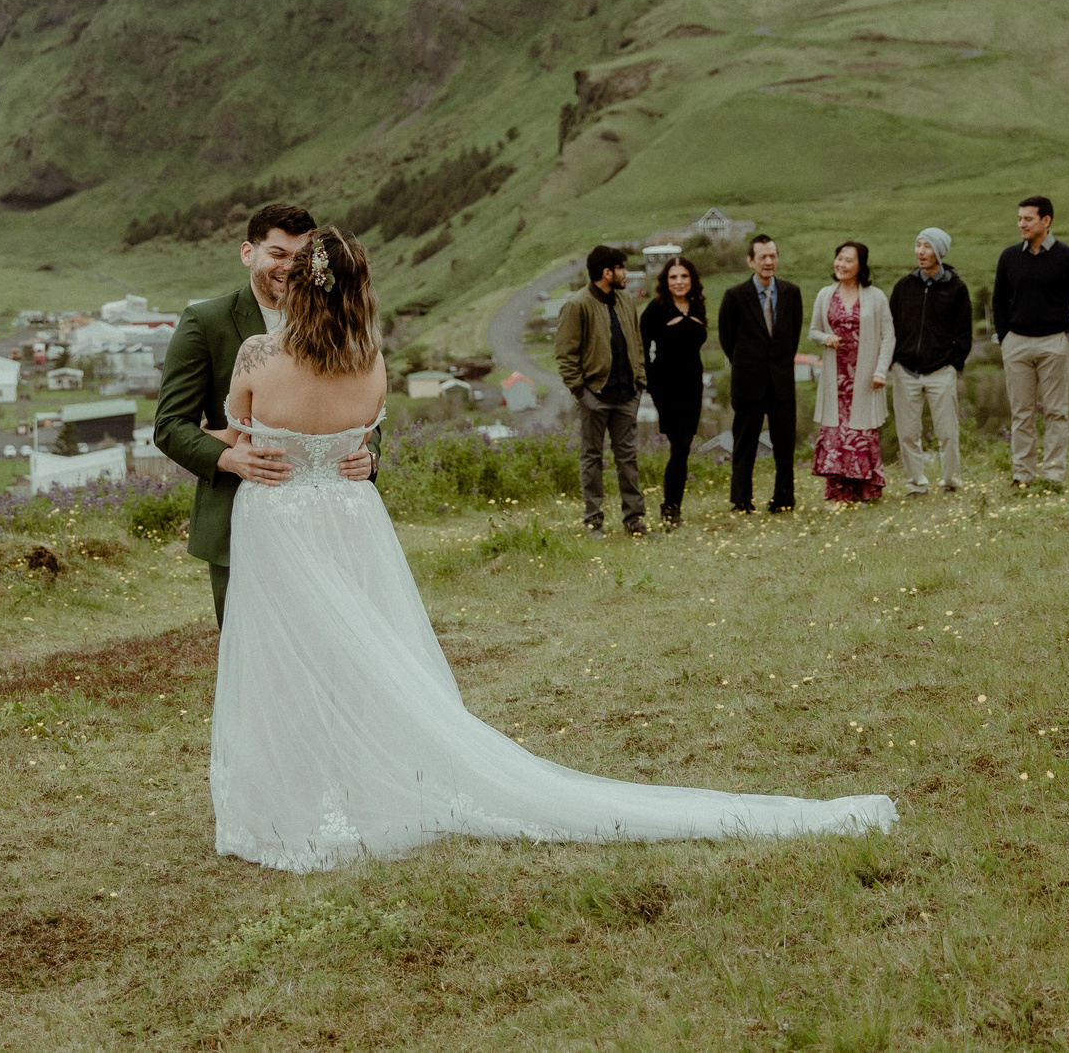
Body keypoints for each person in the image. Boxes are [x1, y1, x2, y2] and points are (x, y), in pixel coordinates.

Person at [208, 225, 897, 873]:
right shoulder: (371, 362)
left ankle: (300, 798)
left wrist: (239, 451)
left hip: (282, 523)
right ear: (359, 288)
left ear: (299, 286)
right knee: (365, 660)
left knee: (285, 661)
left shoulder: (258, 358)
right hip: (352, 516)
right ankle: (357, 784)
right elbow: (357, 443)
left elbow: (241, 439)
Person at [153, 201, 376, 625]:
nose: (290, 267)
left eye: (301, 257)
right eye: (277, 254)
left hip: (327, 520)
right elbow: (169, 426)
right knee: (252, 651)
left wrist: (370, 454)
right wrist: (228, 457)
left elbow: (365, 409)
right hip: (238, 518)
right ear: (247, 252)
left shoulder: (340, 324)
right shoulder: (206, 322)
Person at [991, 197, 1069, 489]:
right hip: (1017, 344)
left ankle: (1052, 475)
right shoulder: (1009, 257)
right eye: (1019, 219)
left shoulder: (1068, 257)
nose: (1021, 224)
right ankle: (1022, 475)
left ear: (1046, 221)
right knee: (1021, 412)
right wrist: (1005, 337)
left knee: (1055, 411)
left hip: (1054, 343)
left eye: (1028, 219)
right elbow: (998, 300)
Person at [552, 245, 647, 535]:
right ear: (607, 273)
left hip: (626, 396)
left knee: (627, 458)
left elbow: (638, 344)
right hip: (594, 397)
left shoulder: (626, 300)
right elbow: (565, 355)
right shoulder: (576, 305)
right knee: (592, 458)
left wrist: (639, 382)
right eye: (621, 268)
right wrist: (582, 393)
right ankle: (593, 521)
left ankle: (634, 520)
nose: (625, 274)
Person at [716, 234, 804, 512]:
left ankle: (784, 499)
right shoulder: (735, 296)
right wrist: (748, 363)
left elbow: (793, 335)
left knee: (784, 445)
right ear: (750, 261)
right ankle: (741, 501)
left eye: (773, 256)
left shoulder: (792, 292)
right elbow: (727, 339)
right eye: (763, 257)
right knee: (744, 445)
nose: (769, 262)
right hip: (748, 383)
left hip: (781, 383)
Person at [807, 242, 894, 502]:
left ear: (860, 266)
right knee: (836, 433)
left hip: (865, 378)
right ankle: (838, 495)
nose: (841, 265)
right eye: (839, 259)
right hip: (835, 378)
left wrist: (881, 371)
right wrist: (825, 338)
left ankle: (864, 492)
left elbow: (888, 337)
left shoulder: (876, 296)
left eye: (848, 261)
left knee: (860, 434)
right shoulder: (825, 295)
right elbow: (813, 331)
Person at [887, 227, 971, 494]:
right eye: (918, 245)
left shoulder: (956, 288)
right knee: (908, 433)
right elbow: (891, 326)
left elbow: (964, 332)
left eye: (927, 246)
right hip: (906, 370)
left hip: (941, 370)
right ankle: (916, 483)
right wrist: (894, 361)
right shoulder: (904, 286)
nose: (920, 252)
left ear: (939, 252)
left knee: (947, 431)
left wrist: (953, 363)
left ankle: (951, 481)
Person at [640, 255, 708, 528]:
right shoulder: (655, 310)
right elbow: (642, 351)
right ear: (665, 282)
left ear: (692, 280)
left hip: (693, 384)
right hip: (666, 386)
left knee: (684, 447)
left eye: (684, 276)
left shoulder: (698, 305)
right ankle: (671, 510)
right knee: (679, 446)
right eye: (673, 277)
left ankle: (672, 507)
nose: (679, 282)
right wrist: (652, 386)